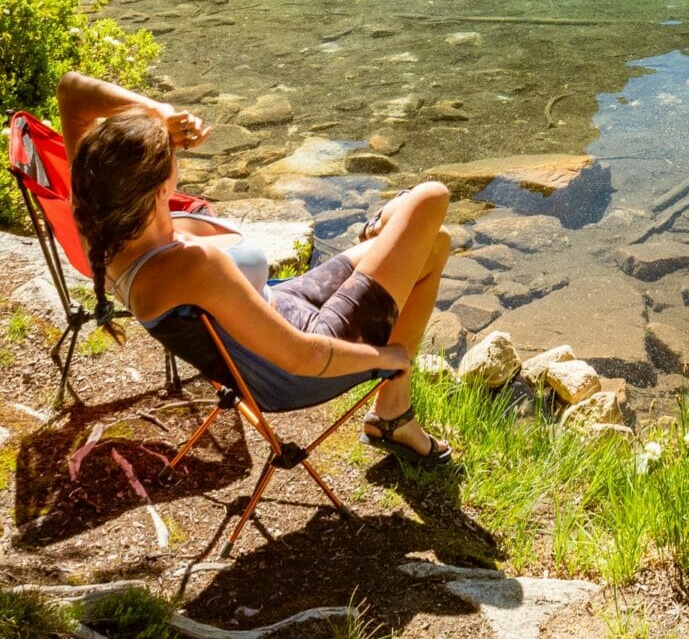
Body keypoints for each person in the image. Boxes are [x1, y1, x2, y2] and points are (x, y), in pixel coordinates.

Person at [60, 69, 454, 464]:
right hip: (297, 364)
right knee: (429, 199)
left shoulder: (97, 223)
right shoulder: (194, 265)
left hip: (281, 307)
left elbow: (70, 92)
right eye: (171, 155)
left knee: (433, 246)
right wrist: (390, 359)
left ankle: (393, 413)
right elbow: (303, 358)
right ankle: (384, 223)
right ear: (163, 188)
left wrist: (158, 113)